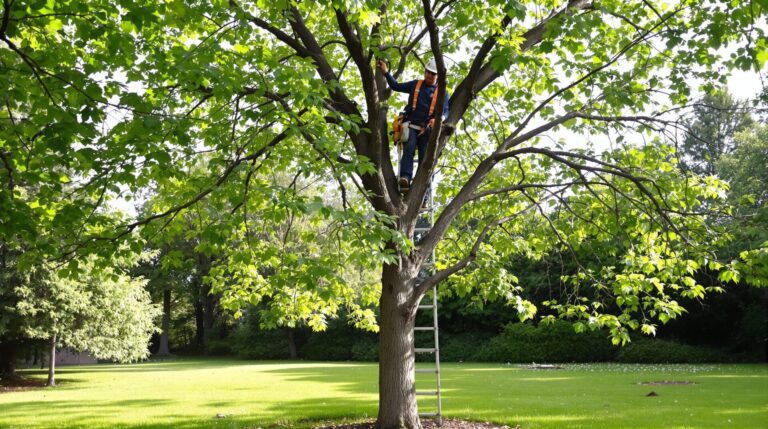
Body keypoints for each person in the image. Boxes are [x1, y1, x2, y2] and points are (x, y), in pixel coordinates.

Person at [377, 58, 450, 194]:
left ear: (438, 76)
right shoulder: (416, 85)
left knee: (425, 158)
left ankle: (424, 194)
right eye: (428, 72)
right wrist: (386, 72)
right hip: (411, 125)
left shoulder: (442, 93)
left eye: (433, 74)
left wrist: (440, 119)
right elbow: (396, 86)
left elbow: (446, 111)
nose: (429, 75)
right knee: (409, 146)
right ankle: (405, 177)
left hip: (427, 130)